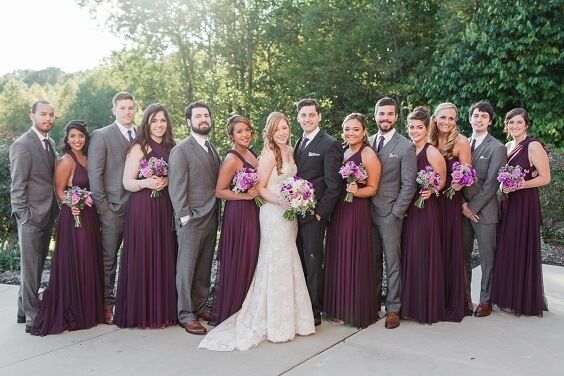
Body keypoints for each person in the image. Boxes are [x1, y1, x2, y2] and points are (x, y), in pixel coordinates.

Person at [199, 112, 315, 351]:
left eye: (285, 127)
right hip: (273, 213)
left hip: (288, 214)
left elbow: (291, 180)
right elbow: (261, 188)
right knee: (275, 260)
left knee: (289, 260)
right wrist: (282, 201)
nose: (282, 132)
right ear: (270, 133)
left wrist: (298, 196)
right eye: (277, 129)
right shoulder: (268, 155)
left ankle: (293, 319)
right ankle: (274, 321)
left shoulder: (291, 151)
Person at [31, 121, 104, 336]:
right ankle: (73, 306)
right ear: (67, 138)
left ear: (85, 137)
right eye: (73, 136)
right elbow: (59, 190)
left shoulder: (89, 158)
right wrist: (72, 203)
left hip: (89, 215)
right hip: (73, 216)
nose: (77, 140)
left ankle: (90, 308)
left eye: (80, 136)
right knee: (76, 259)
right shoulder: (65, 161)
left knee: (89, 258)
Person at [114, 104, 178, 328]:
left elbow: (178, 177)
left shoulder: (173, 147)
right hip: (143, 208)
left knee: (165, 254)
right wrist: (147, 182)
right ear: (147, 123)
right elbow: (127, 182)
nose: (159, 125)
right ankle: (142, 312)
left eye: (163, 120)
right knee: (145, 254)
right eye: (154, 121)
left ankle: (163, 311)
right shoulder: (138, 147)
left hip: (166, 207)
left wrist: (167, 180)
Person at [491, 108, 551, 317]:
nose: (514, 126)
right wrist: (503, 187)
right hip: (508, 202)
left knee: (521, 246)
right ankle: (508, 297)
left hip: (525, 203)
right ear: (506, 126)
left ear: (526, 125)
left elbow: (545, 177)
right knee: (508, 247)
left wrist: (519, 185)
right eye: (511, 123)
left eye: (518, 122)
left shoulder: (533, 145)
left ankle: (522, 300)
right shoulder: (507, 146)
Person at [324, 113, 381, 328]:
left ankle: (356, 310)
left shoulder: (368, 154)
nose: (351, 133)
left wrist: (357, 191)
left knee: (355, 257)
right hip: (339, 210)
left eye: (356, 129)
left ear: (364, 131)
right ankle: (340, 308)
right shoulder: (342, 151)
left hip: (357, 211)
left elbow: (373, 187)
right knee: (339, 257)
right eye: (347, 129)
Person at [169, 101, 221, 335]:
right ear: (189, 121)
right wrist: (184, 218)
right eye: (198, 116)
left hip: (211, 217)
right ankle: (186, 314)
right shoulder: (181, 149)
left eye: (206, 115)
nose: (203, 119)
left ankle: (200, 306)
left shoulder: (212, 148)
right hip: (192, 219)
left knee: (203, 267)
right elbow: (177, 187)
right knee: (187, 268)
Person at [10, 100, 59, 333]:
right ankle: (32, 314)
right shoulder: (23, 145)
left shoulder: (50, 143)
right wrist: (24, 215)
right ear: (32, 116)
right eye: (43, 114)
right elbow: (17, 185)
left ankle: (22, 308)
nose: (48, 119)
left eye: (51, 115)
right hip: (30, 216)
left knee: (38, 265)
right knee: (30, 268)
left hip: (47, 212)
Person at [88, 92, 137, 325]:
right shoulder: (102, 135)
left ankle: (131, 303)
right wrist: (103, 209)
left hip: (139, 209)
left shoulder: (141, 135)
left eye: (131, 108)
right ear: (114, 110)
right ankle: (106, 306)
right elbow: (95, 175)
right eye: (123, 108)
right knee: (108, 260)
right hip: (112, 210)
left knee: (136, 258)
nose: (127, 112)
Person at [369, 97, 417, 329]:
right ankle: (372, 303)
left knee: (393, 261)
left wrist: (396, 212)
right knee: (372, 260)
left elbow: (409, 185)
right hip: (366, 212)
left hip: (390, 214)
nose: (385, 118)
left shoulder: (406, 146)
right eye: (381, 114)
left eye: (389, 114)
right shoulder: (367, 142)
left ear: (396, 117)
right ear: (375, 115)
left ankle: (394, 308)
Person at [293, 98, 343, 326]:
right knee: (299, 260)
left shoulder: (329, 144)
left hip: (314, 215)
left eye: (311, 115)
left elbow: (334, 186)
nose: (307, 119)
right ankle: (300, 304)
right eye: (303, 115)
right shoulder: (297, 143)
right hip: (293, 215)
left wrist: (319, 214)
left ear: (319, 116)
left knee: (313, 262)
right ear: (298, 118)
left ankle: (313, 310)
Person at [210, 115, 260, 326]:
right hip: (239, 214)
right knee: (242, 256)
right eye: (239, 131)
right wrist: (244, 196)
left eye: (247, 130)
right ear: (231, 135)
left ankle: (251, 305)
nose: (245, 134)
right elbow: (220, 191)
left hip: (254, 211)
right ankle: (236, 307)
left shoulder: (251, 152)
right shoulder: (231, 159)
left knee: (253, 255)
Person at [401, 107, 447, 324]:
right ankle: (410, 304)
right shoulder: (407, 148)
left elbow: (442, 180)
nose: (415, 131)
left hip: (424, 209)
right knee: (410, 253)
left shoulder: (431, 152)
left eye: (419, 127)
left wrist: (432, 188)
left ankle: (425, 306)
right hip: (408, 208)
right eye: (411, 127)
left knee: (422, 253)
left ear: (427, 129)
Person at [461, 102, 507, 318]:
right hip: (462, 211)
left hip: (485, 212)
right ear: (470, 118)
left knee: (488, 259)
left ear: (490, 121)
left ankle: (486, 301)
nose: (479, 119)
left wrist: (472, 207)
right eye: (475, 115)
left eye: (483, 116)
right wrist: (463, 205)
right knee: (462, 257)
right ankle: (464, 299)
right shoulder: (462, 143)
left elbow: (491, 184)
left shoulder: (496, 147)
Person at [428, 102, 472, 322]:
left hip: (449, 200)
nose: (447, 122)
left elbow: (467, 173)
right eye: (443, 117)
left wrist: (459, 184)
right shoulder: (427, 138)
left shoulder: (462, 142)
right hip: (428, 200)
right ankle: (430, 297)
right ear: (435, 118)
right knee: (432, 248)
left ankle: (449, 300)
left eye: (451, 119)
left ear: (456, 121)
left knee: (448, 247)